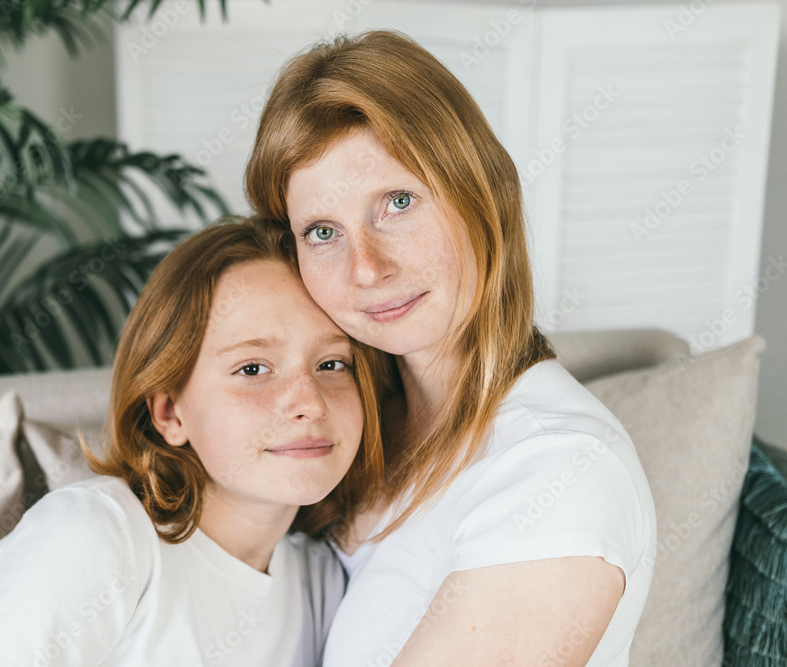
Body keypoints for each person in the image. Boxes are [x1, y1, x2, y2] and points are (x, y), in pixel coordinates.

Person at [245, 30, 657, 666]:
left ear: (481, 196)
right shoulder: (351, 424)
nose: (366, 268)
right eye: (323, 231)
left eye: (398, 203)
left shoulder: (557, 469)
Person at [0, 216, 386, 666]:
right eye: (252, 369)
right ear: (170, 413)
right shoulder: (98, 535)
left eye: (331, 363)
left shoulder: (321, 582)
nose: (310, 402)